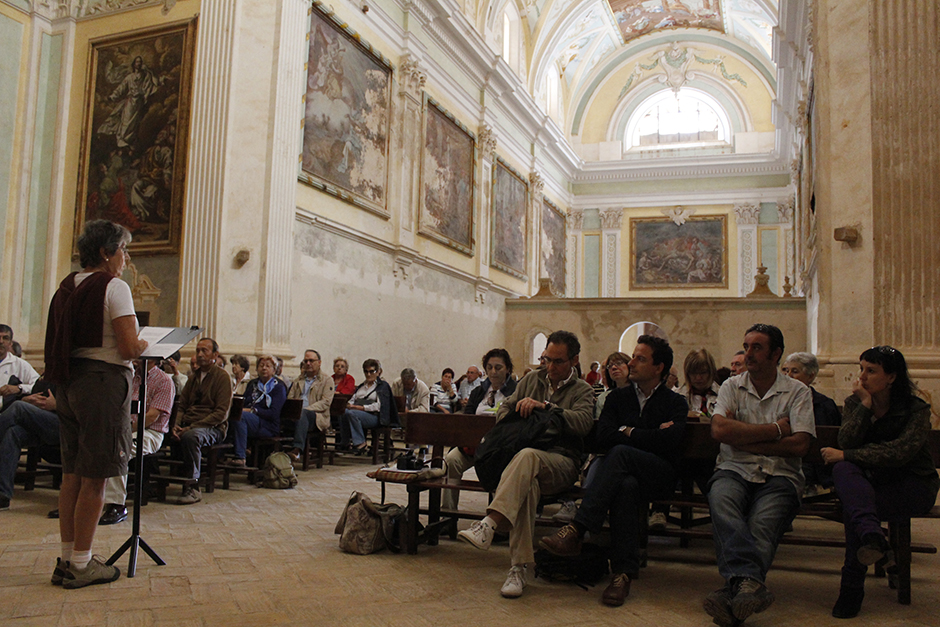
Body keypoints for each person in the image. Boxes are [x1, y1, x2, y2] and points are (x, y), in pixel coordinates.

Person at [539, 335, 687, 606]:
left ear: (659, 367)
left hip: (659, 474)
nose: (631, 362)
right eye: (633, 356)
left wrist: (629, 432)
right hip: (624, 476)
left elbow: (669, 443)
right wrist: (649, 434)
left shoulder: (675, 403)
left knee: (620, 454)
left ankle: (577, 528)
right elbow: (604, 436)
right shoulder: (618, 398)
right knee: (626, 485)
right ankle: (622, 575)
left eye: (640, 359)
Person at [43, 219, 148, 588]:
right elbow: (128, 347)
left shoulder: (65, 287)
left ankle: (68, 557)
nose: (126, 257)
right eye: (123, 249)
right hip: (102, 385)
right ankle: (83, 565)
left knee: (72, 474)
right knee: (97, 476)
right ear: (106, 253)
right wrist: (146, 344)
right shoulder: (113, 287)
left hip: (69, 384)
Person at [457, 330, 594, 598]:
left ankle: (490, 522)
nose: (550, 367)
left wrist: (546, 409)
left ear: (574, 360)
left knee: (528, 457)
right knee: (527, 485)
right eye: (546, 360)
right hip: (524, 464)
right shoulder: (532, 379)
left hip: (561, 462)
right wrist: (521, 410)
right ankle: (518, 569)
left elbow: (583, 423)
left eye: (557, 361)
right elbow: (505, 410)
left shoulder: (583, 390)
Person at [703, 324, 815, 627]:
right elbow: (719, 430)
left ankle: (733, 594)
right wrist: (777, 430)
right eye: (746, 346)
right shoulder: (731, 386)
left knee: (762, 523)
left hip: (781, 475)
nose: (748, 354)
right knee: (722, 501)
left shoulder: (798, 392)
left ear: (775, 354)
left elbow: (801, 444)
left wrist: (744, 438)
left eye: (757, 347)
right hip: (734, 469)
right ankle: (750, 587)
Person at [820, 346, 939, 619]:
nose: (862, 377)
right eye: (861, 369)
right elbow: (846, 441)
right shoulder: (855, 403)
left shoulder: (915, 409)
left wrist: (847, 455)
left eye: (871, 371)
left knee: (856, 510)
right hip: (873, 483)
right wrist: (864, 407)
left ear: (892, 377)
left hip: (913, 484)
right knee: (845, 473)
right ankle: (875, 540)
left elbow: (899, 453)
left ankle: (852, 587)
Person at [100, 359, 175, 525]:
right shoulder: (132, 377)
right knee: (97, 444)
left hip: (151, 432)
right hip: (128, 429)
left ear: (153, 358)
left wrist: (125, 431)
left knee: (120, 449)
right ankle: (88, 498)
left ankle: (116, 505)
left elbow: (152, 416)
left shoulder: (164, 381)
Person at [442, 348, 517, 510]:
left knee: (500, 467)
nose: (493, 372)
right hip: (475, 446)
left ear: (508, 369)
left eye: (498, 367)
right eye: (489, 367)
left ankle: (496, 520)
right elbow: (468, 419)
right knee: (452, 460)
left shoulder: (516, 392)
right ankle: (448, 514)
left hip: (501, 451)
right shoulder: (479, 392)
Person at [171, 338, 232, 505]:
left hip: (213, 427)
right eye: (197, 350)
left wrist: (191, 427)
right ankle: (152, 483)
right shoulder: (193, 377)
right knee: (161, 433)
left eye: (204, 351)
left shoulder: (222, 377)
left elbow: (221, 414)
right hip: (189, 425)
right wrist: (176, 425)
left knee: (191, 437)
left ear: (215, 355)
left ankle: (193, 486)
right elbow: (182, 406)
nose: (199, 354)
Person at [782, 351, 841, 493]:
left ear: (811, 376)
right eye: (785, 370)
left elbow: (833, 437)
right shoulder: (777, 401)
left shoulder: (824, 404)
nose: (788, 376)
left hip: (817, 464)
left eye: (794, 371)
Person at [0, 383, 60, 511]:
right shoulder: (47, 376)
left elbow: (87, 407)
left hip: (66, 425)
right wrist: (26, 400)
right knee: (13, 432)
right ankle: (2, 495)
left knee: (18, 407)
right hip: (42, 422)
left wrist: (57, 405)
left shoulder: (78, 375)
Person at [230, 355, 288, 466]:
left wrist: (254, 411)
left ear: (274, 370)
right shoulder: (252, 384)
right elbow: (246, 402)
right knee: (231, 415)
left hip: (268, 425)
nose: (264, 368)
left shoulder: (278, 387)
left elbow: (274, 413)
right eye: (261, 366)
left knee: (241, 416)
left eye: (268, 366)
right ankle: (220, 454)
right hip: (252, 421)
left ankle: (240, 457)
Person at [285, 350, 334, 463]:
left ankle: (297, 449)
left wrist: (306, 409)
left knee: (303, 414)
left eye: (311, 360)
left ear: (319, 362)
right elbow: (290, 398)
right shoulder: (299, 380)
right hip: (297, 414)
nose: (308, 363)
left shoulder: (327, 380)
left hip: (316, 416)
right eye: (306, 361)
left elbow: (325, 402)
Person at [338, 359, 396, 452]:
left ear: (378, 372)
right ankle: (345, 442)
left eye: (371, 371)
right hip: (358, 413)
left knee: (352, 414)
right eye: (366, 371)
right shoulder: (361, 386)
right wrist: (349, 405)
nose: (368, 374)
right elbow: (352, 400)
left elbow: (379, 407)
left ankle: (360, 443)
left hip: (375, 416)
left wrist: (360, 408)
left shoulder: (383, 386)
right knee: (343, 413)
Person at [0, 325, 40, 412]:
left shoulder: (19, 364)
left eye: (5, 338)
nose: (1, 341)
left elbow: (38, 386)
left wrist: (19, 388)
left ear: (10, 343)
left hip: (6, 412)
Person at [677, 348, 721, 421]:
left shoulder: (723, 395)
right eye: (693, 373)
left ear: (711, 372)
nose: (698, 378)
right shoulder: (678, 396)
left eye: (703, 372)